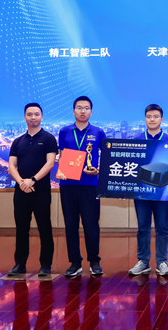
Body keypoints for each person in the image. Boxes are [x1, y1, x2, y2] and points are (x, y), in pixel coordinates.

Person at [56, 96, 107, 277]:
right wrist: (61, 170)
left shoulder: (98, 132)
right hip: (68, 184)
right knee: (70, 224)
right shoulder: (64, 131)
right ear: (73, 111)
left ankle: (94, 261)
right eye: (79, 107)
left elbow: (106, 157)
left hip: (90, 184)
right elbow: (61, 155)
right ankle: (75, 262)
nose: (82, 111)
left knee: (91, 224)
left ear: (91, 112)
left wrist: (98, 170)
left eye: (86, 108)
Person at [7, 103, 58, 277]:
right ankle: (20, 264)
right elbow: (12, 166)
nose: (33, 117)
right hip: (21, 190)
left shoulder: (49, 138)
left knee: (44, 227)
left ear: (42, 117)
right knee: (21, 228)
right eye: (30, 114)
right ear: (25, 117)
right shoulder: (17, 141)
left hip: (41, 190)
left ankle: (46, 264)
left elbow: (50, 163)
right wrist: (22, 182)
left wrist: (33, 180)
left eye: (36, 114)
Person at [128, 104, 168, 277]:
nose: (152, 119)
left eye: (155, 116)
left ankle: (162, 262)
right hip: (141, 192)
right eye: (149, 116)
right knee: (143, 228)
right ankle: (143, 261)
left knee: (162, 228)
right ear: (145, 119)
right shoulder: (137, 139)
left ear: (161, 119)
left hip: (162, 192)